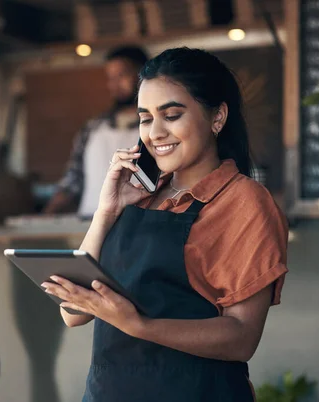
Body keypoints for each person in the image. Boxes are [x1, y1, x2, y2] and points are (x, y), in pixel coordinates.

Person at [41, 47, 289, 401]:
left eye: (171, 115)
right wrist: (105, 212)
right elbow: (74, 312)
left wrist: (138, 325)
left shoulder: (243, 202)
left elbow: (241, 337)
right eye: (145, 118)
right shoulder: (139, 195)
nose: (154, 133)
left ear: (217, 117)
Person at [43, 45, 150, 217]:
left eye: (122, 75)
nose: (115, 84)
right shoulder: (93, 128)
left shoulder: (155, 127)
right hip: (89, 221)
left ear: (143, 73)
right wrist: (47, 214)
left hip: (139, 222)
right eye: (111, 78)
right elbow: (73, 180)